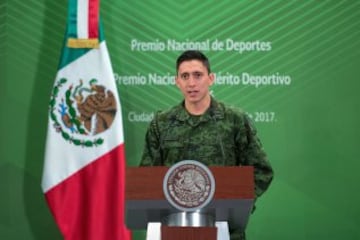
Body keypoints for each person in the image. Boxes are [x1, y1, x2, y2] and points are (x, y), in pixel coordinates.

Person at [140, 50, 273, 240]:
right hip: (175, 228)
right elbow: (147, 178)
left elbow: (262, 170)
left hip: (224, 229)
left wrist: (238, 206)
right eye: (185, 76)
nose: (191, 83)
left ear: (211, 78)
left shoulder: (234, 119)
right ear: (176, 81)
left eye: (198, 75)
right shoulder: (161, 123)